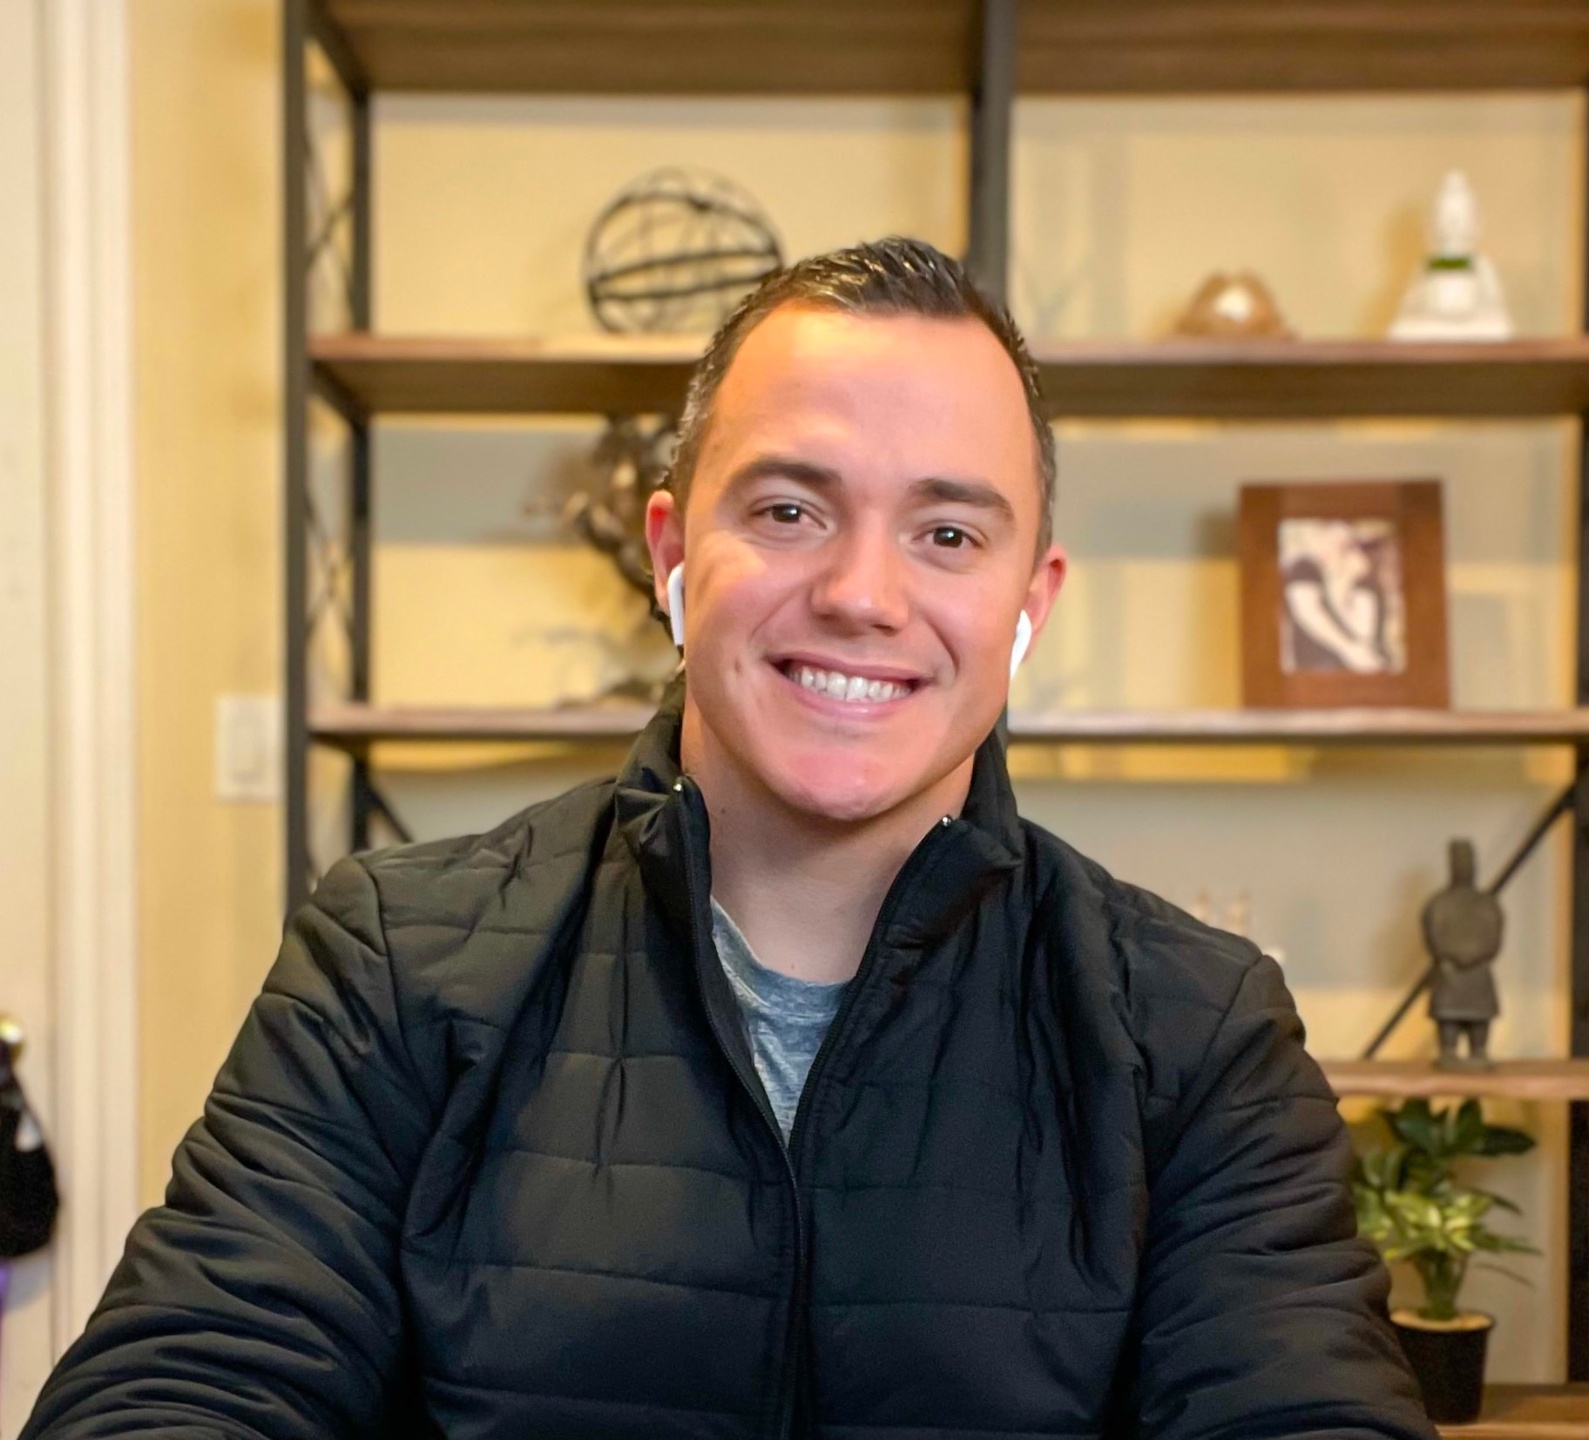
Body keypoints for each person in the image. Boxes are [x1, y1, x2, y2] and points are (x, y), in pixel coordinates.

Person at [22, 238, 1434, 1440]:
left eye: (948, 535)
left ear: (1030, 604)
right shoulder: (393, 959)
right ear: (671, 555)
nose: (863, 594)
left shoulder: (1194, 1028)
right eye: (789, 510)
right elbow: (185, 1381)